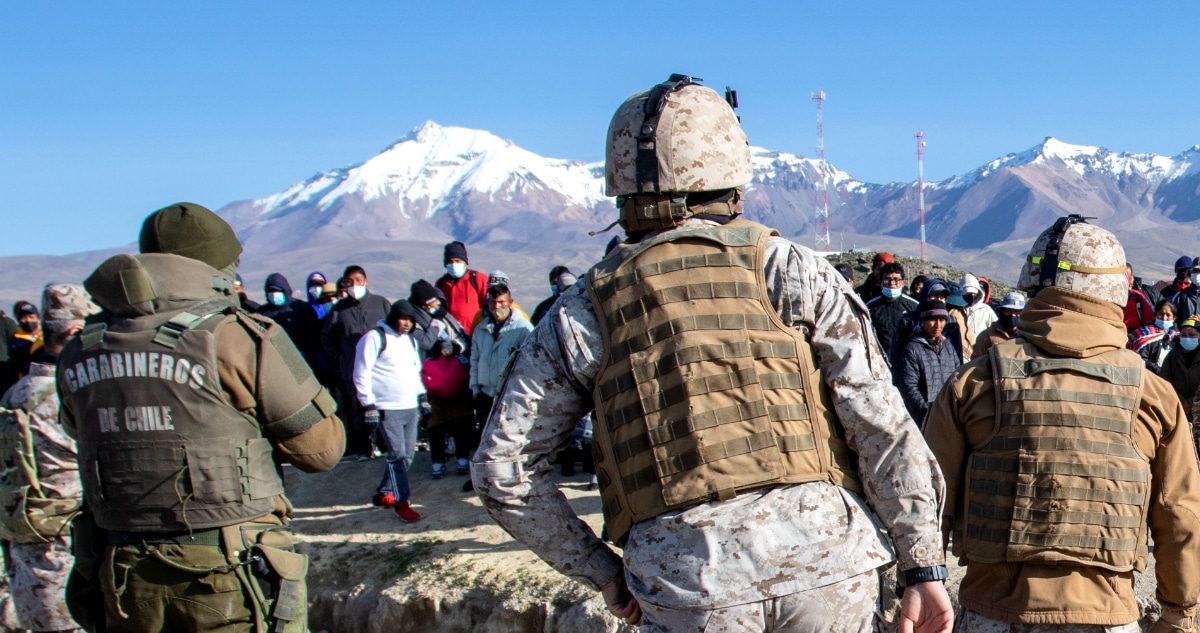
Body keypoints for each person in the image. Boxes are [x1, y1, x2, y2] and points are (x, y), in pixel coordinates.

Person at [471, 74, 951, 632]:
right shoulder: (791, 270)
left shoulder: (583, 310)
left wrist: (601, 570)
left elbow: (501, 470)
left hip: (687, 585)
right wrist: (923, 565)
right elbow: (882, 428)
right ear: (731, 170)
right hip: (827, 567)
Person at [57, 202, 345, 633]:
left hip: (121, 576)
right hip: (225, 573)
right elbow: (321, 449)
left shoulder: (83, 346)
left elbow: (82, 433)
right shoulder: (236, 335)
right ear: (219, 265)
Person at [924, 215, 1200, 633]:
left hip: (992, 616)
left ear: (1033, 285)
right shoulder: (1153, 395)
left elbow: (926, 499)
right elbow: (1180, 515)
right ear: (1114, 289)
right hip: (1106, 618)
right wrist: (1178, 616)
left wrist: (921, 581)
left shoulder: (974, 383)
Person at [0, 284, 99, 633]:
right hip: (71, 563)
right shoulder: (71, 395)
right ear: (75, 333)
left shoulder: (15, 394)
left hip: (26, 563)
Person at [353, 300, 425, 522]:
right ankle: (402, 502)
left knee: (408, 455)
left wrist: (422, 397)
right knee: (397, 456)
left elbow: (415, 372)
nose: (406, 324)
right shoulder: (375, 338)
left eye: (411, 320)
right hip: (387, 408)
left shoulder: (410, 342)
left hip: (410, 406)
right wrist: (368, 405)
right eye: (403, 319)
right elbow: (361, 372)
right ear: (394, 317)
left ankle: (384, 493)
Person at [466, 283, 533, 491]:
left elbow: (530, 363)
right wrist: (475, 387)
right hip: (486, 392)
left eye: (502, 301)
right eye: (494, 302)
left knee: (509, 438)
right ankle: (481, 478)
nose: (497, 306)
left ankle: (511, 479)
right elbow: (475, 359)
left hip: (510, 393)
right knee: (484, 437)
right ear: (488, 303)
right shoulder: (481, 330)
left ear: (510, 302)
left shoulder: (523, 330)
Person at [321, 265, 391, 460]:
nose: (354, 285)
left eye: (358, 280)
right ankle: (363, 448)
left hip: (380, 367)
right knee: (356, 408)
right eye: (350, 282)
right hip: (352, 367)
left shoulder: (381, 304)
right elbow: (326, 336)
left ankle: (386, 445)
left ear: (365, 281)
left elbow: (393, 330)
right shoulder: (339, 310)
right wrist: (337, 356)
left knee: (383, 406)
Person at [408, 280, 473, 480]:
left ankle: (462, 458)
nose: (434, 306)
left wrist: (455, 347)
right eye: (430, 303)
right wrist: (436, 326)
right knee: (435, 422)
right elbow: (425, 342)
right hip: (430, 378)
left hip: (455, 375)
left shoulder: (446, 316)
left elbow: (462, 336)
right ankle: (438, 461)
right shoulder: (414, 320)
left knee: (459, 418)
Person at [898, 300, 962, 429]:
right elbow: (909, 387)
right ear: (923, 321)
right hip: (923, 418)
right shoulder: (912, 349)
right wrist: (927, 413)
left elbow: (958, 377)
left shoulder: (948, 347)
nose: (938, 325)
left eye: (942, 320)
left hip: (948, 415)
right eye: (933, 320)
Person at [256, 272, 321, 367]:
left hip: (302, 359)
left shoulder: (300, 308)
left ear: (285, 290)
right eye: (271, 291)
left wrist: (306, 352)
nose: (274, 294)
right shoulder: (262, 313)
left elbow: (313, 333)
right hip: (274, 361)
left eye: (277, 291)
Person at [865, 261, 919, 363]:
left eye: (896, 279)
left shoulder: (914, 306)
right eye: (887, 279)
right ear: (880, 282)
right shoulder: (870, 307)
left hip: (908, 361)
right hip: (879, 361)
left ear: (903, 282)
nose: (892, 283)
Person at [436, 241, 489, 336]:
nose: (453, 264)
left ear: (465, 262)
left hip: (476, 334)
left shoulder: (478, 279)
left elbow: (490, 306)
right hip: (451, 336)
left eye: (457, 261)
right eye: (450, 261)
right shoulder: (441, 284)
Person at [1129, 299, 1179, 374]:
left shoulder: (1176, 337)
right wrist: (1158, 369)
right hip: (1149, 376)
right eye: (1161, 314)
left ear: (1174, 318)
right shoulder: (1143, 333)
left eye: (1168, 315)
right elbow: (1140, 358)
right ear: (1155, 315)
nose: (1164, 318)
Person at [970, 291, 1025, 360]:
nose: (1013, 315)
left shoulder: (1027, 335)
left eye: (1017, 311)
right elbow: (975, 361)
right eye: (1009, 310)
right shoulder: (987, 335)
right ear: (1002, 312)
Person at [956, 273, 997, 362]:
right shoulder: (956, 311)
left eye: (973, 293)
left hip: (982, 356)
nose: (971, 296)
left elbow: (996, 330)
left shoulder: (986, 310)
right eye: (968, 294)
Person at [8, 301, 44, 381]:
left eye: (31, 317)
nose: (28, 321)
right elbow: (14, 367)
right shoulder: (15, 340)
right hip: (25, 381)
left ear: (37, 318)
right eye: (24, 318)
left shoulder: (47, 336)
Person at [1124, 263, 1156, 332]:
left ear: (1131, 278)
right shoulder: (1107, 299)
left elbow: (1149, 322)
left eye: (1125, 276)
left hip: (1136, 338)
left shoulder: (1138, 297)